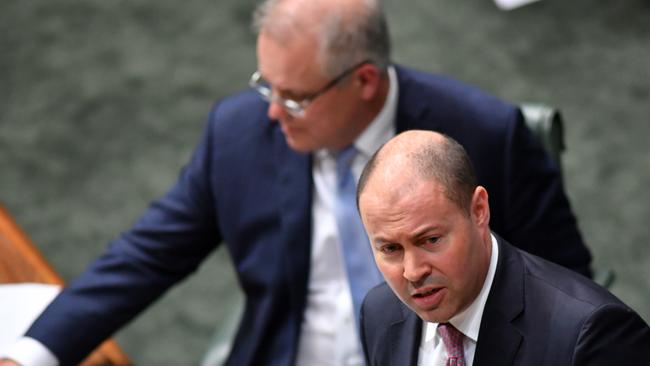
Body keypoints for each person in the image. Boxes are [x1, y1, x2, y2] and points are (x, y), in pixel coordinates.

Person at [0, 0, 593, 365]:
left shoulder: (488, 135)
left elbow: (563, 285)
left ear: (363, 82)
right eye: (267, 85)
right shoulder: (240, 132)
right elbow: (147, 255)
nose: (272, 113)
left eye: (295, 98)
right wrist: (32, 355)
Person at [357, 130, 650, 365]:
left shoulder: (590, 335)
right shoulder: (379, 313)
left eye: (430, 240)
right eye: (390, 249)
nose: (413, 272)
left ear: (479, 210)